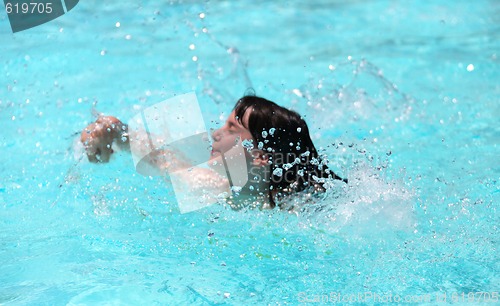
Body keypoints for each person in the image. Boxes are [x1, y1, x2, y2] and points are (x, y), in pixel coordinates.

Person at [80, 95, 346, 211]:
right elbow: (164, 158)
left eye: (232, 128)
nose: (216, 133)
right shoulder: (211, 187)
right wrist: (116, 130)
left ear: (261, 156)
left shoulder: (301, 212)